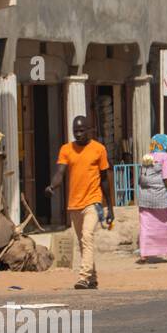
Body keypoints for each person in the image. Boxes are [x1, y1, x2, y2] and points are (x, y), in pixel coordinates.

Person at [45, 115, 115, 290]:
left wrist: (110, 207)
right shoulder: (66, 149)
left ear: (89, 130)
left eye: (82, 130)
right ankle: (93, 278)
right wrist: (52, 186)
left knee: (87, 236)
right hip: (74, 203)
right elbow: (60, 173)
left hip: (93, 201)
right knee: (83, 242)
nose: (78, 134)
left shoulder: (99, 149)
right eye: (75, 131)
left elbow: (105, 179)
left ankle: (83, 277)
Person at [137, 133, 167, 263]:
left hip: (144, 198)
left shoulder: (147, 157)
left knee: (146, 226)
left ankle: (144, 254)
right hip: (160, 198)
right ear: (163, 144)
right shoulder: (165, 157)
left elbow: (140, 178)